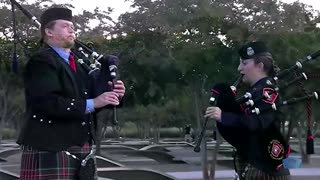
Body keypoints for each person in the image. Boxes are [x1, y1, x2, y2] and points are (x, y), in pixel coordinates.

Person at [16, 7, 125, 180]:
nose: (72, 29)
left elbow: (91, 102)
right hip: (49, 148)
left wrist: (112, 96)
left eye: (72, 26)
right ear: (49, 31)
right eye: (65, 26)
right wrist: (94, 102)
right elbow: (48, 103)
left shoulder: (80, 65)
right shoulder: (42, 61)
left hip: (81, 148)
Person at [204, 41, 291, 180]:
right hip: (255, 166)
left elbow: (258, 123)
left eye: (244, 63)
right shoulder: (256, 91)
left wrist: (224, 117)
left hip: (264, 171)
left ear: (260, 66)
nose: (239, 68)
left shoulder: (267, 92)